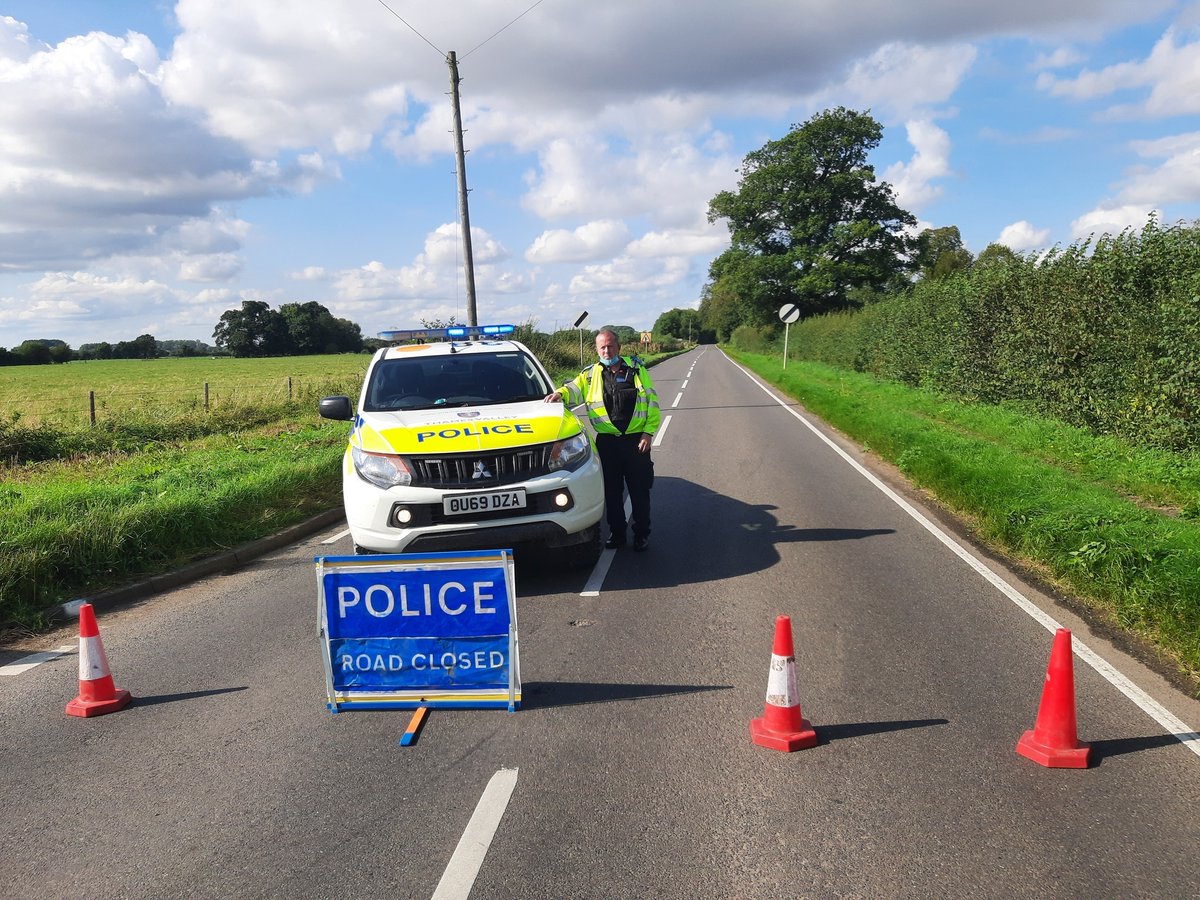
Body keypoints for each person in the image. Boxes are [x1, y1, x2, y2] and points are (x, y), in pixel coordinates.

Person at [545, 330, 660, 551]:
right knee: (612, 492)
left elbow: (652, 401)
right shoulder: (590, 374)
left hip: (636, 442)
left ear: (619, 347)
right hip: (607, 443)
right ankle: (617, 534)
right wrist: (559, 394)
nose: (607, 351)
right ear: (597, 350)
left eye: (610, 346)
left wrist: (648, 432)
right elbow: (573, 389)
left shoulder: (636, 369)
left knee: (639, 491)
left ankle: (641, 534)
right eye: (602, 348)